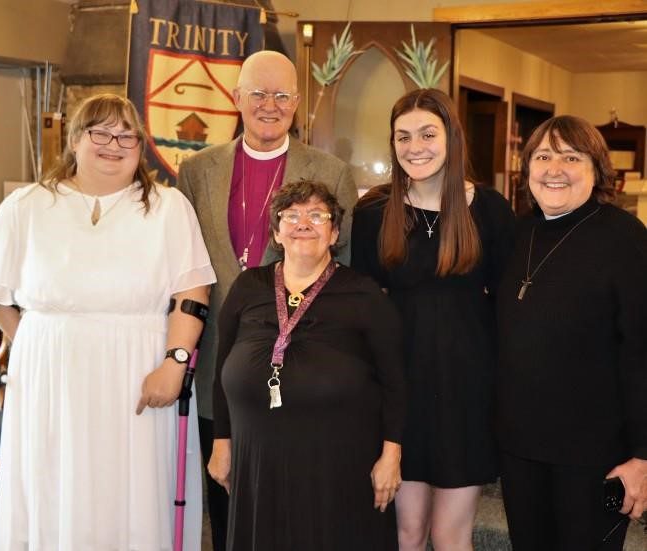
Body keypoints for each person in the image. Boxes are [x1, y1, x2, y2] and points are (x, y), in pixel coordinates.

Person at [0, 93, 216, 550]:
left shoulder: (167, 208)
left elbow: (192, 293)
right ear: (75, 140)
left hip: (139, 368)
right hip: (49, 375)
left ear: (141, 145)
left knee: (131, 486)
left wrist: (175, 364)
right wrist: (34, 344)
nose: (113, 143)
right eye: (99, 132)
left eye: (127, 134)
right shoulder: (28, 206)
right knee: (51, 482)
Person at [176, 50, 358, 548]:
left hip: (306, 370)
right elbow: (181, 265)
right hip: (223, 362)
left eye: (282, 95)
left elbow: (344, 275)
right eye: (258, 93)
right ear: (236, 99)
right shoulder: (196, 171)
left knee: (297, 509)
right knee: (229, 503)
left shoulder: (332, 172)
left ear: (297, 103)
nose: (269, 105)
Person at [351, 88, 515, 551]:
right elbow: (364, 306)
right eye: (402, 137)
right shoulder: (373, 213)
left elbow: (509, 304)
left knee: (450, 535)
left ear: (451, 138)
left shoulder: (489, 209)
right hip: (401, 390)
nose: (414, 146)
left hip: (467, 390)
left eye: (427, 133)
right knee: (407, 531)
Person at [207, 180, 405, 550]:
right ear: (276, 233)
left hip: (339, 466)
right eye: (292, 215)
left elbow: (396, 382)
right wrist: (222, 443)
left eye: (317, 215)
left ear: (333, 234)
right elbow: (221, 371)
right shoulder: (248, 286)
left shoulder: (364, 294)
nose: (304, 223)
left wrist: (391, 454)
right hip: (257, 463)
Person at [496, 115, 647, 551]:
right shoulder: (517, 233)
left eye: (571, 157)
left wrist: (642, 457)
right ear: (527, 170)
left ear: (597, 169)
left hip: (594, 455)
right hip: (520, 448)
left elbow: (641, 353)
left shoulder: (626, 240)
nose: (554, 168)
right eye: (543, 156)